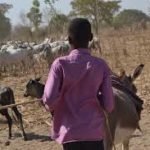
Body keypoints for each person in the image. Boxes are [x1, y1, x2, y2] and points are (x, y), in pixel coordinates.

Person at [42, 18, 114, 150]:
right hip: (94, 132)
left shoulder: (59, 64)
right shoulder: (101, 65)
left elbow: (49, 99)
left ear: (69, 39)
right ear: (91, 38)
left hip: (69, 133)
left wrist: (55, 105)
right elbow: (109, 106)